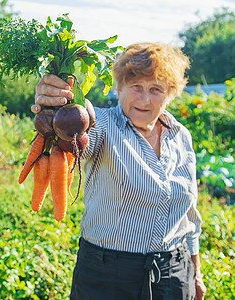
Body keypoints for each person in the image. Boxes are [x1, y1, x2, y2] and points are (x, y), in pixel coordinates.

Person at [32, 43, 207, 300]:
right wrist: (54, 105)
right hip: (107, 276)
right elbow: (78, 129)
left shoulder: (181, 136)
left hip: (174, 274)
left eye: (155, 89)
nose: (144, 99)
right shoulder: (101, 125)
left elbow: (190, 216)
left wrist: (196, 272)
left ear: (170, 94)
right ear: (119, 88)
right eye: (136, 87)